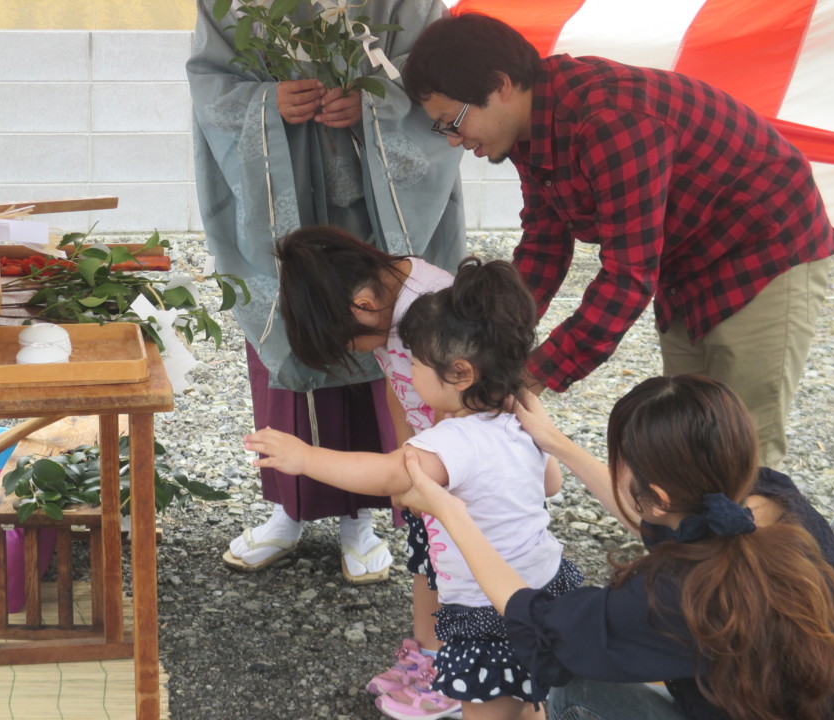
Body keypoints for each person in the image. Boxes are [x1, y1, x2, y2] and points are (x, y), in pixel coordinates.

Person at [400, 12, 834, 468]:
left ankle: (757, 538)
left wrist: (535, 372)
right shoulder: (530, 129)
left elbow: (628, 277)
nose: (454, 140)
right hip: (685, 260)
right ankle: (696, 537)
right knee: (692, 423)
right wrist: (484, 336)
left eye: (454, 121)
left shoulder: (608, 119)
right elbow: (544, 245)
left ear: (501, 85)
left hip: (765, 250)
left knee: (744, 437)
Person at [187, 0, 466, 584]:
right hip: (278, 191)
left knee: (379, 338)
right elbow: (210, 82)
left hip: (371, 203)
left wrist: (376, 103)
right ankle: (286, 508)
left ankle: (360, 519)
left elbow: (440, 71)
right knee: (294, 330)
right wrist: (265, 103)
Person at [394, 374, 834, 720]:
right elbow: (663, 514)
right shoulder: (769, 499)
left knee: (570, 686)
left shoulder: (675, 593)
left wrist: (450, 511)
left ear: (661, 497)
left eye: (619, 461)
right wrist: (555, 443)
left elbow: (539, 623)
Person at [247, 258, 582, 720]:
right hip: (548, 587)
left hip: (490, 612)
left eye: (418, 363)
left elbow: (389, 474)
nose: (410, 372)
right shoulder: (521, 421)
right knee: (530, 698)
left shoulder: (449, 441)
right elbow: (553, 482)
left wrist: (305, 457)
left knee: (488, 709)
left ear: (460, 373)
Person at [275, 226, 454, 707]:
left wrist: (421, 473)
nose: (354, 352)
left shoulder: (432, 307)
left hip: (463, 471)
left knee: (462, 574)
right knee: (427, 559)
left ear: (363, 305)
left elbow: (455, 408)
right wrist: (405, 459)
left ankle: (461, 675)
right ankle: (428, 655)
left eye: (346, 343)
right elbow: (399, 390)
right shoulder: (385, 305)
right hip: (431, 465)